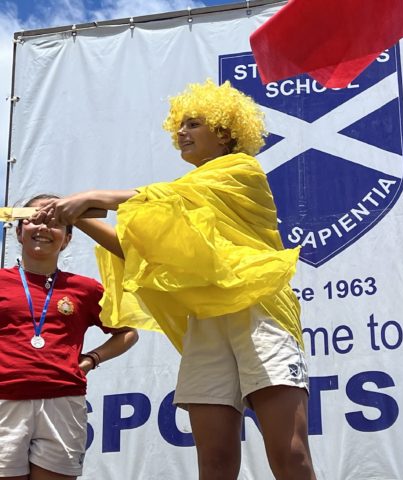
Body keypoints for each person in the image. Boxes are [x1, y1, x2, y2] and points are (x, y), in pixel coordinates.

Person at [33, 80, 316, 480]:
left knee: (291, 456)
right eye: (179, 125)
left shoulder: (240, 171)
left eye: (193, 124)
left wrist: (92, 195)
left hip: (261, 315)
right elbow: (135, 251)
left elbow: (165, 195)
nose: (181, 132)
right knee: (214, 465)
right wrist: (75, 215)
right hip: (206, 324)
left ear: (225, 133)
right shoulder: (179, 198)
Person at [0, 194, 139, 480]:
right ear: (19, 232)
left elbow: (128, 333)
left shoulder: (85, 289)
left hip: (63, 401)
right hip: (5, 399)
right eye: (34, 219)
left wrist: (91, 359)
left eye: (55, 222)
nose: (43, 227)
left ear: (66, 239)